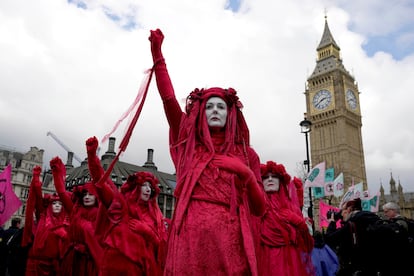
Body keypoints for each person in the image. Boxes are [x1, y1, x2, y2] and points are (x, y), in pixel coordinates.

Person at [149, 29, 266, 275]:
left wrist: (244, 173)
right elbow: (169, 99)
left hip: (230, 241)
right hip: (189, 239)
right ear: (200, 112)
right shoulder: (190, 144)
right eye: (209, 106)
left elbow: (260, 208)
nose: (214, 110)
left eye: (220, 106)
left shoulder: (247, 154)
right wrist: (158, 57)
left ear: (230, 112)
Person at [86, 136, 167, 276]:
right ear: (136, 187)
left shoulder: (155, 215)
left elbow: (161, 246)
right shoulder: (120, 206)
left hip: (142, 270)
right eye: (144, 185)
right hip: (114, 268)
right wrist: (92, 156)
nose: (148, 189)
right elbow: (101, 182)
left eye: (150, 187)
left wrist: (147, 232)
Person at [258, 161, 314, 276]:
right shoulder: (256, 209)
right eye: (266, 177)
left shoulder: (291, 210)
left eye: (274, 177)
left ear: (280, 181)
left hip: (291, 262)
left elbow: (307, 245)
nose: (269, 179)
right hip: (265, 260)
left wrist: (300, 224)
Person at [49, 156, 104, 276]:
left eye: (91, 194)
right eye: (85, 194)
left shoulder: (101, 214)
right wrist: (56, 172)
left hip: (92, 262)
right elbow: (62, 193)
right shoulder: (75, 211)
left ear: (97, 197)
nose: (87, 197)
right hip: (72, 261)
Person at [22, 166, 70, 276]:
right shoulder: (43, 216)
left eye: (60, 204)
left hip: (56, 265)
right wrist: (36, 179)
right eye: (54, 203)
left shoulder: (66, 222)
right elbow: (38, 198)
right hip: (38, 264)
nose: (57, 206)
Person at [325, 198, 381, 276]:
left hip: (356, 269)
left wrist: (332, 223)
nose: (341, 213)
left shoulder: (353, 224)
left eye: (343, 210)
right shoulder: (373, 218)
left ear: (349, 209)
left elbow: (330, 239)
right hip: (375, 269)